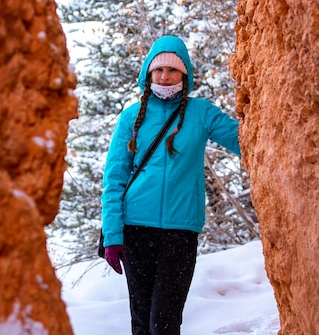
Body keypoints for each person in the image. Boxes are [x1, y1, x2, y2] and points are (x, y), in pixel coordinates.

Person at [101, 35, 241, 335]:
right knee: (141, 320)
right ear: (148, 75)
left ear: (185, 75)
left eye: (173, 70)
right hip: (136, 230)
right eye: (159, 71)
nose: (165, 77)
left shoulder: (202, 113)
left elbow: (244, 140)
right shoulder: (130, 119)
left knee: (164, 320)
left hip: (180, 232)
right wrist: (113, 235)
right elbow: (113, 179)